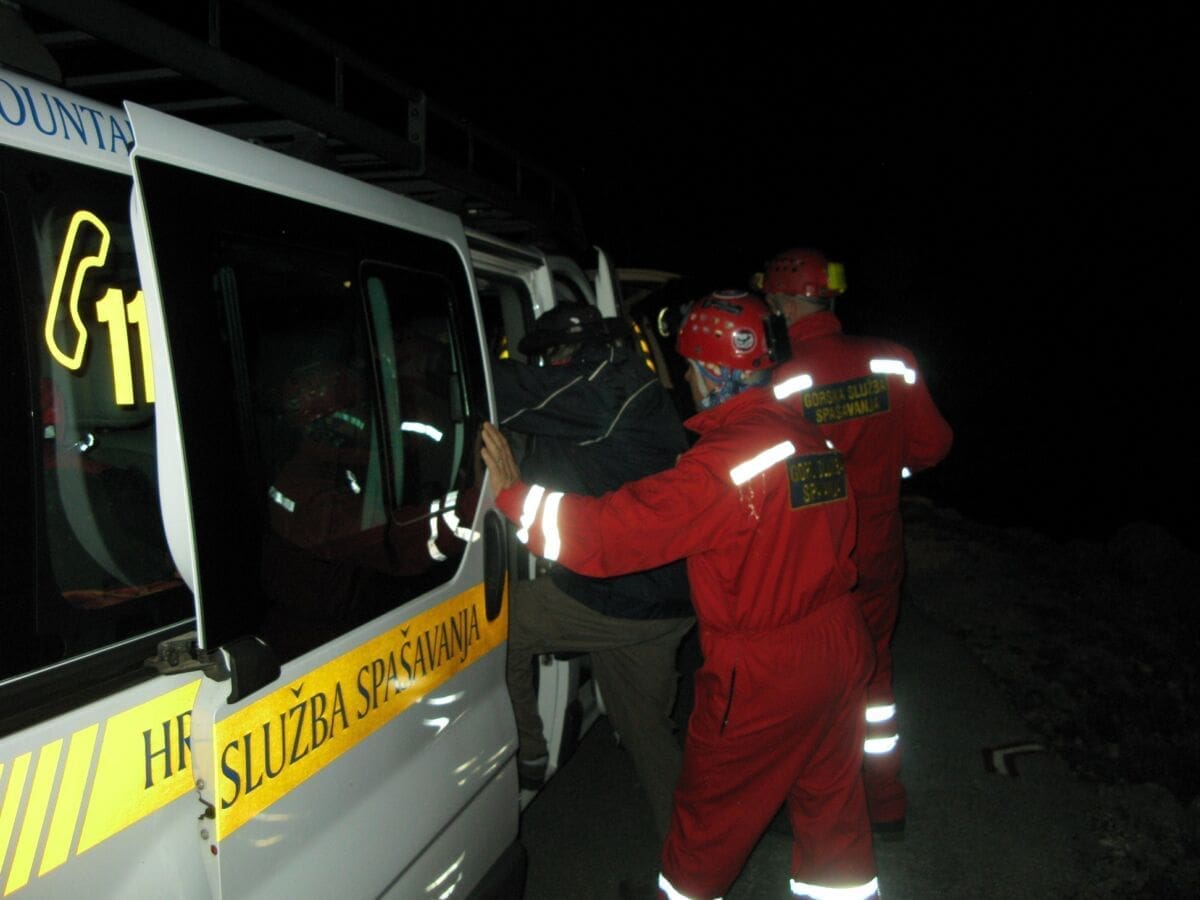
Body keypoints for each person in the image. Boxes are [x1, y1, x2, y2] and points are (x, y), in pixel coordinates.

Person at [482, 291, 880, 900]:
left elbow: (611, 534)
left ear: (716, 373)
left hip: (765, 669)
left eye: (693, 368)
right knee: (833, 813)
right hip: (838, 643)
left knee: (706, 826)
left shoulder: (725, 463)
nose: (688, 381)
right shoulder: (807, 436)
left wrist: (515, 496)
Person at [761, 247, 954, 835]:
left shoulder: (778, 378)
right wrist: (886, 471)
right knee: (873, 674)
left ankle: (814, 806)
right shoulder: (893, 359)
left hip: (810, 554)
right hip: (878, 547)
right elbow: (933, 445)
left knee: (807, 678)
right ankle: (885, 800)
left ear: (785, 303)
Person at [492, 303, 695, 844]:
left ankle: (527, 753)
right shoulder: (621, 384)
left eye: (548, 359)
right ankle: (690, 861)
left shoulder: (601, 389)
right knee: (648, 736)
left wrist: (445, 363)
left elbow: (511, 392)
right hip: (665, 594)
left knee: (499, 623)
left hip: (621, 593)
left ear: (562, 353)